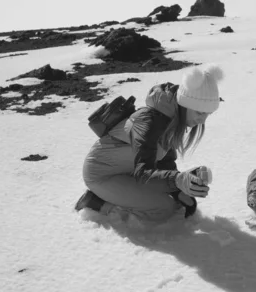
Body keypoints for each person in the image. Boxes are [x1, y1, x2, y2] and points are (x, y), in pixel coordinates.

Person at [75, 64, 223, 221]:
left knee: (175, 203)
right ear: (185, 104)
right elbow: (144, 171)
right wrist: (177, 180)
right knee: (163, 208)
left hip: (128, 171)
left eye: (208, 114)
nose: (202, 120)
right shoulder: (149, 122)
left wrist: (177, 191)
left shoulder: (171, 117)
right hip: (102, 175)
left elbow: (164, 161)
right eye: (200, 113)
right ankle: (95, 202)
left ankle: (115, 195)